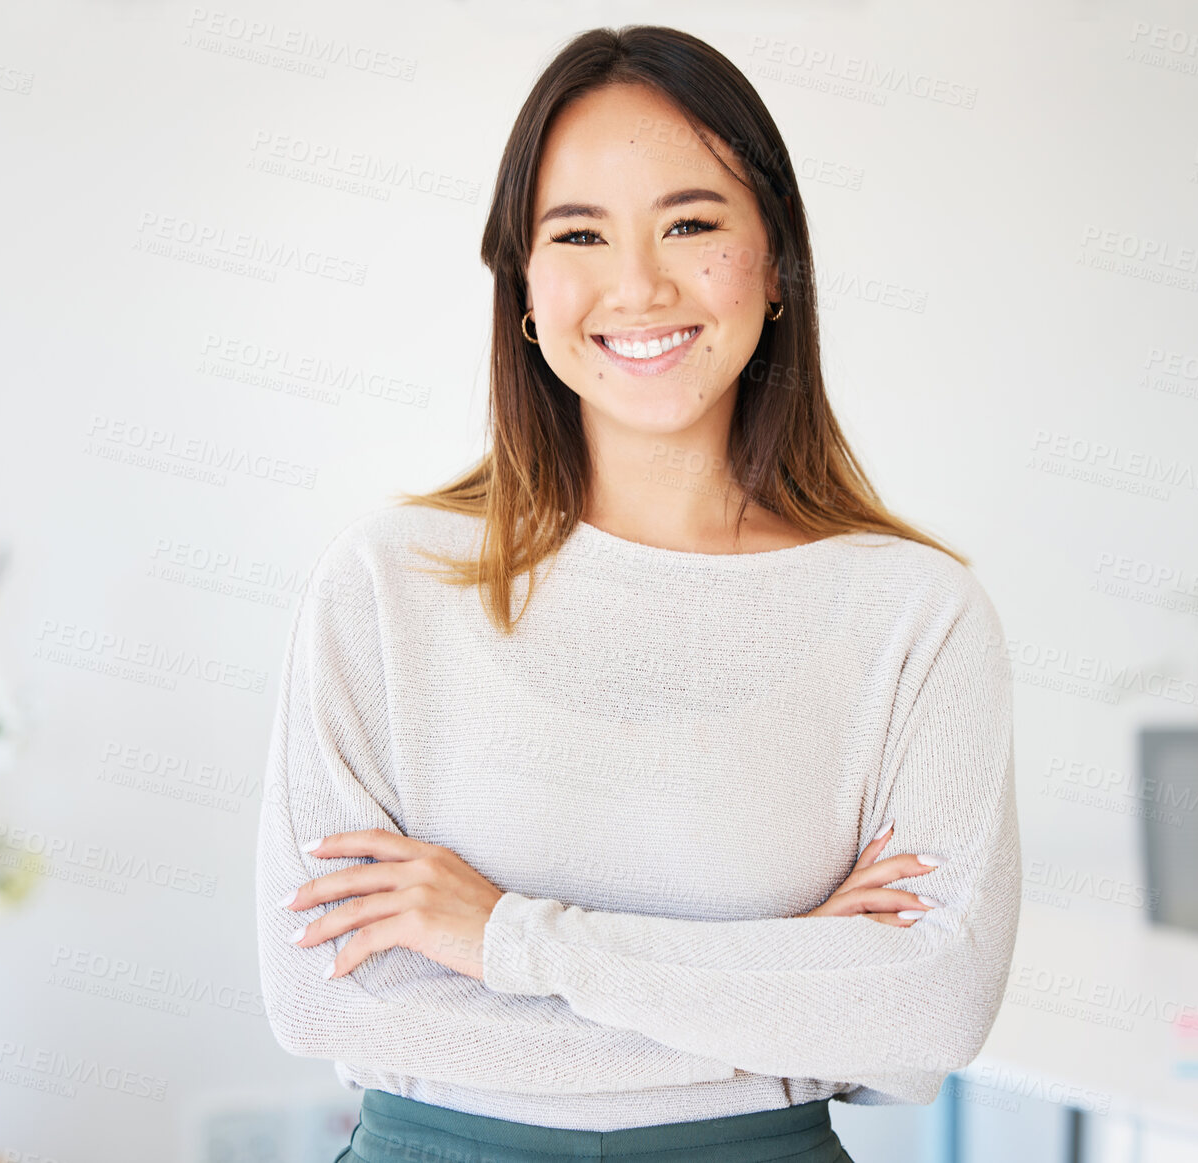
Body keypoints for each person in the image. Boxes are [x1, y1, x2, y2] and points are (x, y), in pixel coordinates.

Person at [255, 23, 1020, 1163]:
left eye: (692, 223)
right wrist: (789, 986)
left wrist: (509, 939)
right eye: (579, 233)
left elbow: (930, 1007)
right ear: (522, 281)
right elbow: (326, 996)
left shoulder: (915, 615)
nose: (638, 283)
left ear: (777, 263)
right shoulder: (386, 585)